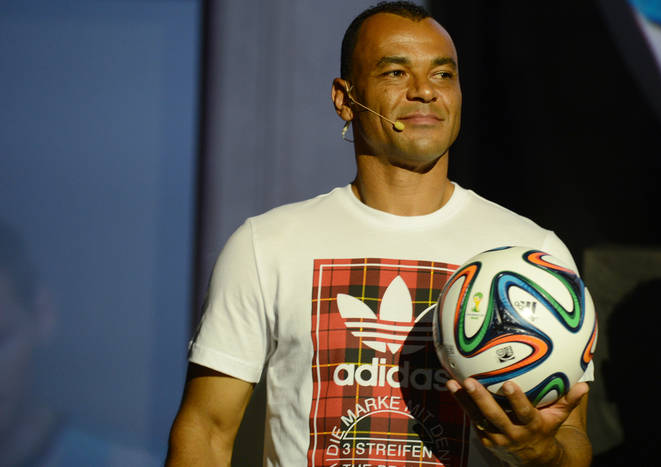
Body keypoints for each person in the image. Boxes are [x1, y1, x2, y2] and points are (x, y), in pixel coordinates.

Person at [166, 2, 593, 465]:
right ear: (344, 99)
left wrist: (542, 452)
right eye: (395, 73)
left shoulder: (533, 255)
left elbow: (573, 438)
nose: (424, 91)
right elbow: (206, 431)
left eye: (443, 75)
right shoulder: (266, 245)